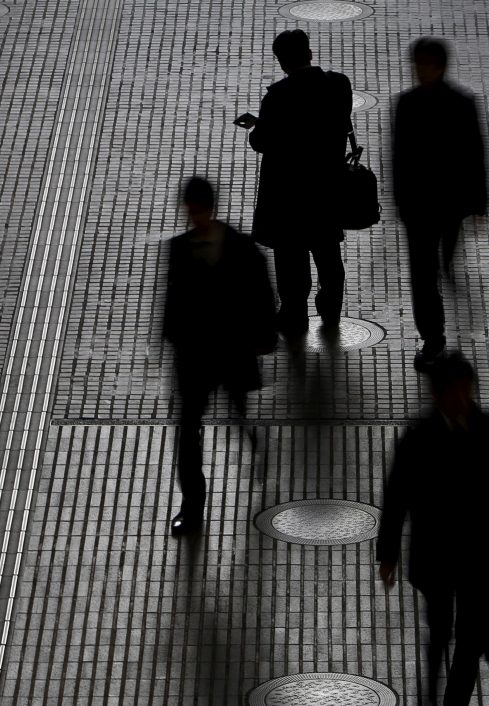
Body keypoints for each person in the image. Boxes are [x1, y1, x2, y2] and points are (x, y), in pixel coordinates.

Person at [376, 353, 489, 705]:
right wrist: (388, 554)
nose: (462, 399)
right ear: (436, 395)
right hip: (435, 555)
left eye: (466, 389)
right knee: (439, 630)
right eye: (454, 391)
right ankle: (431, 689)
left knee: (470, 639)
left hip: (480, 557)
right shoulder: (418, 436)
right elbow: (397, 496)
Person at [163, 177, 277, 537]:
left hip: (230, 352)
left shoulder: (241, 248)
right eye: (191, 211)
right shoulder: (180, 249)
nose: (194, 217)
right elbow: (171, 302)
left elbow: (262, 293)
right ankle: (192, 508)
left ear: (210, 208)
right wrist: (170, 341)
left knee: (236, 407)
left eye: (199, 210)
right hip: (194, 359)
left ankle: (251, 436)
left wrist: (263, 336)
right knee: (188, 431)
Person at [241, 29, 353, 338]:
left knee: (291, 258)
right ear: (310, 53)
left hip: (287, 193)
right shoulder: (338, 86)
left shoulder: (278, 96)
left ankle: (294, 314)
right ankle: (331, 309)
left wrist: (257, 127)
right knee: (328, 253)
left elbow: (263, 142)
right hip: (326, 188)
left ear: (281, 61)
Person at [392, 38, 488, 370]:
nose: (419, 71)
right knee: (422, 274)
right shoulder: (407, 104)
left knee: (434, 261)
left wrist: (478, 202)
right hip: (421, 207)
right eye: (416, 64)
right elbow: (399, 156)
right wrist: (400, 201)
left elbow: (476, 152)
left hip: (448, 204)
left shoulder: (461, 104)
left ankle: (445, 264)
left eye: (425, 64)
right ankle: (432, 336)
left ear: (440, 67)